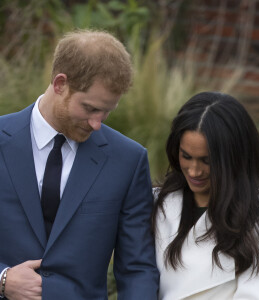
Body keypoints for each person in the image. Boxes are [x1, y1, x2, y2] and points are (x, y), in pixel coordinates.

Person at [0, 29, 159, 300]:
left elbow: (137, 269)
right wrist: (2, 278)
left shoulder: (128, 160)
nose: (97, 123)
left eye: (107, 111)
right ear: (60, 83)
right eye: (90, 108)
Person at [153, 92, 259, 300]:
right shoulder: (158, 202)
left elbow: (257, 295)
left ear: (234, 157)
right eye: (186, 156)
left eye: (207, 161)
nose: (194, 171)